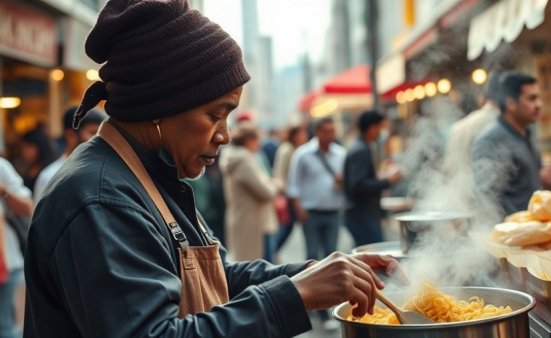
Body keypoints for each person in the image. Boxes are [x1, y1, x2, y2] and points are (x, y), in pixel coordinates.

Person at [24, 1, 399, 337]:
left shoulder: (153, 173)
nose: (225, 135)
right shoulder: (102, 199)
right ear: (160, 104)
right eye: (215, 115)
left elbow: (219, 278)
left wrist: (315, 274)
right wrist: (295, 296)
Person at [472, 71, 551, 218]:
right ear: (511, 103)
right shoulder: (493, 140)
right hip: (512, 234)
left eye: (539, 98)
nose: (539, 104)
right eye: (532, 99)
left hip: (534, 228)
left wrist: (539, 178)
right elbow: (486, 198)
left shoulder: (526, 133)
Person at [286, 117, 346, 329]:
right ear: (318, 132)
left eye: (332, 131)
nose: (330, 135)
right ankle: (312, 307)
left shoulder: (341, 154)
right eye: (326, 131)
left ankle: (329, 310)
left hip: (332, 212)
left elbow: (346, 183)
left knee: (332, 258)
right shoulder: (302, 154)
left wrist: (342, 183)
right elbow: (293, 186)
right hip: (310, 213)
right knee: (312, 259)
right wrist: (299, 210)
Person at [220, 121, 280, 262]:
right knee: (261, 270)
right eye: (257, 139)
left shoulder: (235, 157)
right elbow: (266, 192)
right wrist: (276, 184)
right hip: (255, 223)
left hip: (244, 218)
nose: (259, 144)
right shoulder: (243, 160)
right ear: (248, 140)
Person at [343, 111, 402, 246]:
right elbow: (357, 185)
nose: (384, 132)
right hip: (362, 215)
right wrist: (388, 181)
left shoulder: (364, 147)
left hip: (363, 214)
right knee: (374, 255)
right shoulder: (360, 150)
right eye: (381, 127)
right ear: (371, 128)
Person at [33, 106, 105, 203]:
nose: (99, 138)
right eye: (92, 133)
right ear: (70, 136)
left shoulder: (105, 171)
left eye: (101, 133)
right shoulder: (51, 176)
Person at [0, 157, 34, 338]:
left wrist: (3, 191)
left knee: (5, 325)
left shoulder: (1, 167)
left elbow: (28, 207)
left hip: (6, 261)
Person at [443, 71, 502, 174]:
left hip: (459, 188)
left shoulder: (457, 128)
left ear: (482, 99)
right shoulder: (501, 124)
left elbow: (448, 169)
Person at [273, 125, 308, 254]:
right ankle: (274, 251)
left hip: (290, 194)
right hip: (287, 195)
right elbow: (281, 173)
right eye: (301, 134)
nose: (304, 137)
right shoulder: (287, 149)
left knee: (288, 226)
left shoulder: (293, 149)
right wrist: (287, 193)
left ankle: (274, 251)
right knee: (286, 226)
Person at [18, 125, 57, 191]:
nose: (25, 153)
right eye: (23, 148)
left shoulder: (49, 171)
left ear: (40, 147)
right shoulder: (28, 170)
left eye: (29, 147)